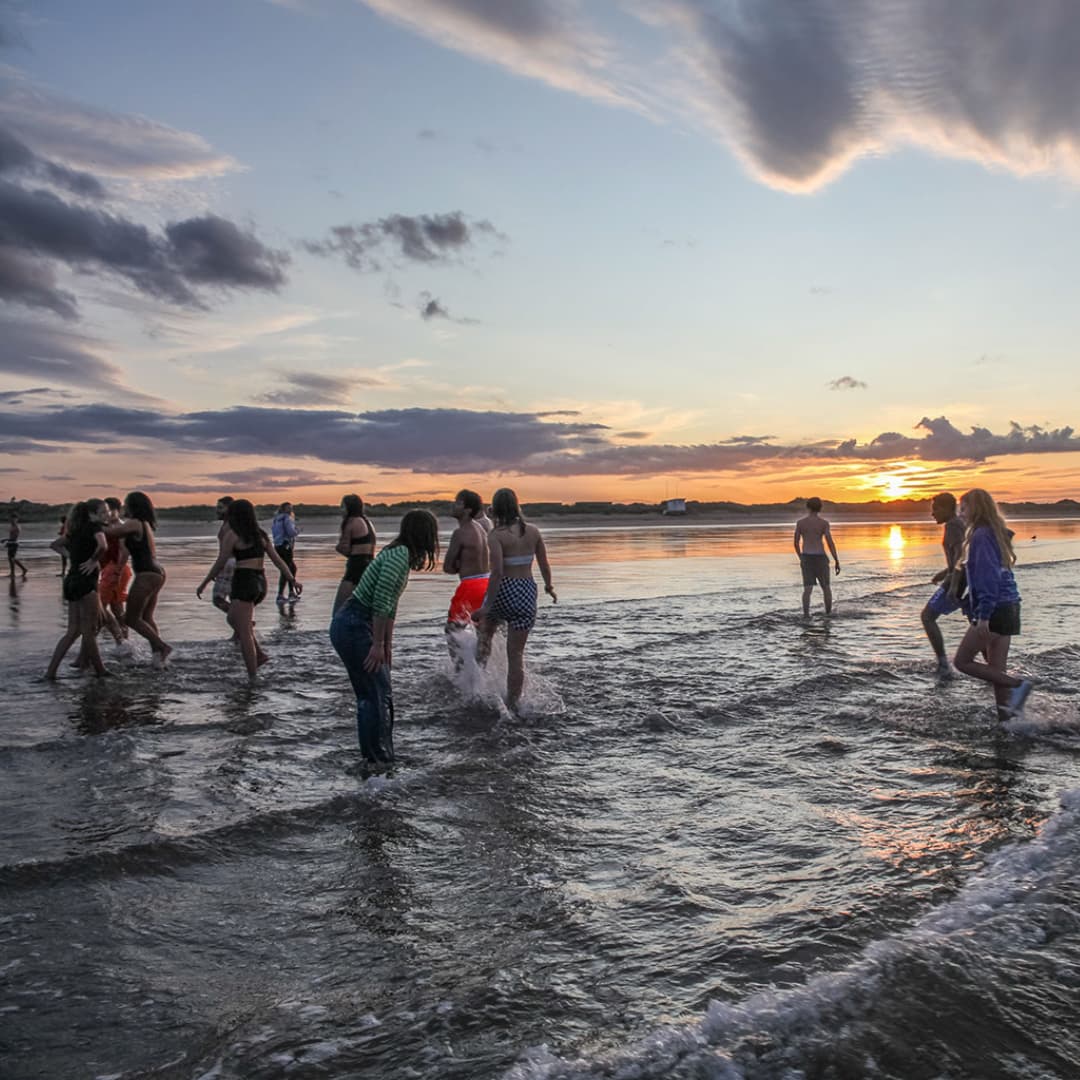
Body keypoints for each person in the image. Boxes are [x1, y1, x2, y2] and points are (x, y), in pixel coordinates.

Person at [329, 509, 439, 767]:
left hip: (360, 623)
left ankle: (383, 756)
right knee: (373, 695)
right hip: (354, 624)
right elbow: (380, 601)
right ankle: (375, 759)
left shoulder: (400, 555)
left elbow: (390, 605)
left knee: (381, 692)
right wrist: (377, 644)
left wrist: (387, 643)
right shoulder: (398, 556)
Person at [952, 489, 1033, 720]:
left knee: (962, 661)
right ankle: (1009, 723)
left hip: (995, 610)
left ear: (975, 508)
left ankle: (1018, 684)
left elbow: (988, 578)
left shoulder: (981, 535)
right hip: (1009, 607)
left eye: (964, 508)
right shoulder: (993, 533)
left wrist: (983, 615)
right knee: (997, 674)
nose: (961, 513)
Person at [197, 498, 299, 681]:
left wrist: (204, 582)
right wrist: (292, 580)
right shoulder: (261, 535)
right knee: (233, 618)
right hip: (260, 582)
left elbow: (221, 560)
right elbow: (278, 561)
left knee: (243, 631)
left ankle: (253, 676)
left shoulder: (233, 535)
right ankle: (258, 654)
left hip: (244, 581)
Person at [474, 488, 556, 711]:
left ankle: (476, 684)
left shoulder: (496, 535)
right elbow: (544, 564)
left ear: (496, 508)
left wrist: (486, 606)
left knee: (485, 634)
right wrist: (549, 586)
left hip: (505, 589)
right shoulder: (533, 531)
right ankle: (513, 704)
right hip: (527, 591)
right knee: (516, 655)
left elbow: (498, 572)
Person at [104, 491, 171, 663]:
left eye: (126, 503)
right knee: (147, 617)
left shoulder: (134, 523)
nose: (124, 506)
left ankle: (161, 646)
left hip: (147, 574)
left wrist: (92, 524)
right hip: (157, 573)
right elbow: (125, 549)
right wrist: (118, 571)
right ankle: (158, 656)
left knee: (130, 618)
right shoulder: (144, 524)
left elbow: (111, 533)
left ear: (133, 506)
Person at [45, 500, 109, 679]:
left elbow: (55, 545)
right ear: (91, 514)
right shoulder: (94, 527)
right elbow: (103, 545)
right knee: (88, 630)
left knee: (72, 631)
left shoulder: (74, 530)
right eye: (103, 512)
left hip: (70, 581)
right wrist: (93, 560)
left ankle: (50, 673)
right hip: (85, 582)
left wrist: (72, 556)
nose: (107, 515)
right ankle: (101, 671)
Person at [920, 492, 966, 676]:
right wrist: (943, 573)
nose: (932, 514)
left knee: (927, 617)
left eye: (935, 509)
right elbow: (957, 558)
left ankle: (943, 663)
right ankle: (993, 667)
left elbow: (961, 559)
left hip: (959, 580)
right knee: (976, 623)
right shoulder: (957, 524)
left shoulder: (954, 526)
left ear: (947, 509)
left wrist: (953, 585)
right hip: (961, 578)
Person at [443, 489, 490, 664]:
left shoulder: (460, 533)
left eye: (458, 503)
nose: (453, 505)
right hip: (487, 583)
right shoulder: (481, 528)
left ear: (468, 510)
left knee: (452, 629)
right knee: (482, 632)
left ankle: (460, 675)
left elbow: (448, 567)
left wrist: (458, 565)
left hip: (470, 585)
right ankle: (482, 672)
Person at [794, 497, 840, 616]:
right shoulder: (824, 523)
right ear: (820, 508)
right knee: (826, 587)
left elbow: (796, 542)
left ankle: (806, 615)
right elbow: (830, 543)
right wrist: (836, 560)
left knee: (807, 589)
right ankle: (828, 614)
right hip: (820, 557)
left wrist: (801, 557)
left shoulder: (800, 523)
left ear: (808, 507)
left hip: (807, 557)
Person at [94, 497, 130, 648]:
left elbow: (124, 551)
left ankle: (91, 644)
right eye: (105, 511)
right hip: (109, 569)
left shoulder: (120, 527)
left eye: (109, 511)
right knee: (116, 608)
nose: (107, 514)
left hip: (115, 569)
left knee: (99, 607)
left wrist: (118, 571)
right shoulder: (108, 526)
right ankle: (124, 643)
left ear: (117, 510)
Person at [332, 494, 377, 614]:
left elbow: (344, 548)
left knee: (339, 610)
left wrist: (337, 548)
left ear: (349, 508)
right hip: (369, 567)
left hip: (355, 568)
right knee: (364, 609)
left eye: (342, 507)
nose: (341, 510)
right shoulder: (368, 523)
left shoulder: (351, 522)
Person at [271, 501, 299, 606]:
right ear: (284, 509)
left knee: (288, 568)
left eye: (291, 508)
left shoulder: (276, 519)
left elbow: (274, 532)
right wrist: (297, 531)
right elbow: (291, 532)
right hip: (286, 546)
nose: (290, 510)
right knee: (288, 569)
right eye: (289, 508)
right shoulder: (287, 518)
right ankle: (285, 594)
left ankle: (286, 593)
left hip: (278, 546)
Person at [211, 496, 235, 617]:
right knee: (234, 599)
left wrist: (216, 570)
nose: (217, 510)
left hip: (228, 564)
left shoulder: (229, 525)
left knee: (218, 599)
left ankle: (243, 621)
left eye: (220, 508)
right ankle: (241, 629)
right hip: (232, 564)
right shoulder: (230, 524)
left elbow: (225, 552)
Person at [6, 514, 28, 578]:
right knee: (10, 559)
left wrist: (6, 540)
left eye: (13, 519)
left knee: (12, 559)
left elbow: (14, 537)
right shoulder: (12, 526)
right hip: (11, 543)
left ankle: (22, 569)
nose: (11, 520)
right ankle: (13, 572)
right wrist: (8, 541)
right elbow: (11, 536)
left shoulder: (16, 527)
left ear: (16, 519)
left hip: (14, 544)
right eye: (10, 519)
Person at [57, 513, 68, 577]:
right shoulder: (68, 526)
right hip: (67, 544)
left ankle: (63, 572)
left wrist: (60, 533)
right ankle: (63, 572)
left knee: (64, 559)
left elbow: (64, 534)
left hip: (64, 544)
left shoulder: (64, 526)